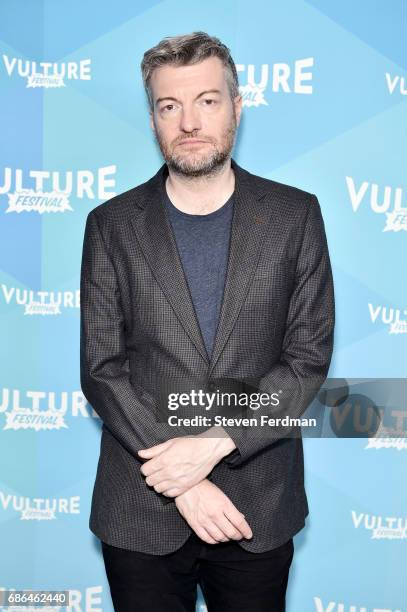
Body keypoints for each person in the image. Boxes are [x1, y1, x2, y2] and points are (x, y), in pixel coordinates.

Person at [80, 31, 335, 612]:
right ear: (152, 119)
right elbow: (101, 368)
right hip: (141, 508)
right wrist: (186, 480)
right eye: (170, 105)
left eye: (207, 101)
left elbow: (307, 359)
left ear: (237, 107)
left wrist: (217, 443)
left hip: (258, 507)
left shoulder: (295, 216)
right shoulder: (110, 225)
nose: (188, 120)